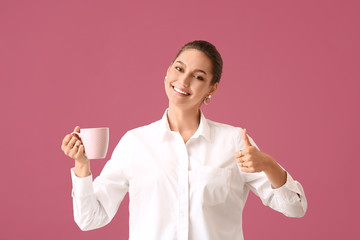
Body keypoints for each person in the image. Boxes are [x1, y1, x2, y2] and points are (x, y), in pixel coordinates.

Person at [61, 40, 307, 240]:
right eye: (179, 69)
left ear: (212, 88)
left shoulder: (233, 142)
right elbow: (90, 219)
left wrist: (268, 164)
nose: (184, 81)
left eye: (198, 77)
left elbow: (295, 208)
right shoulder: (135, 143)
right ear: (167, 72)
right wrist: (82, 165)